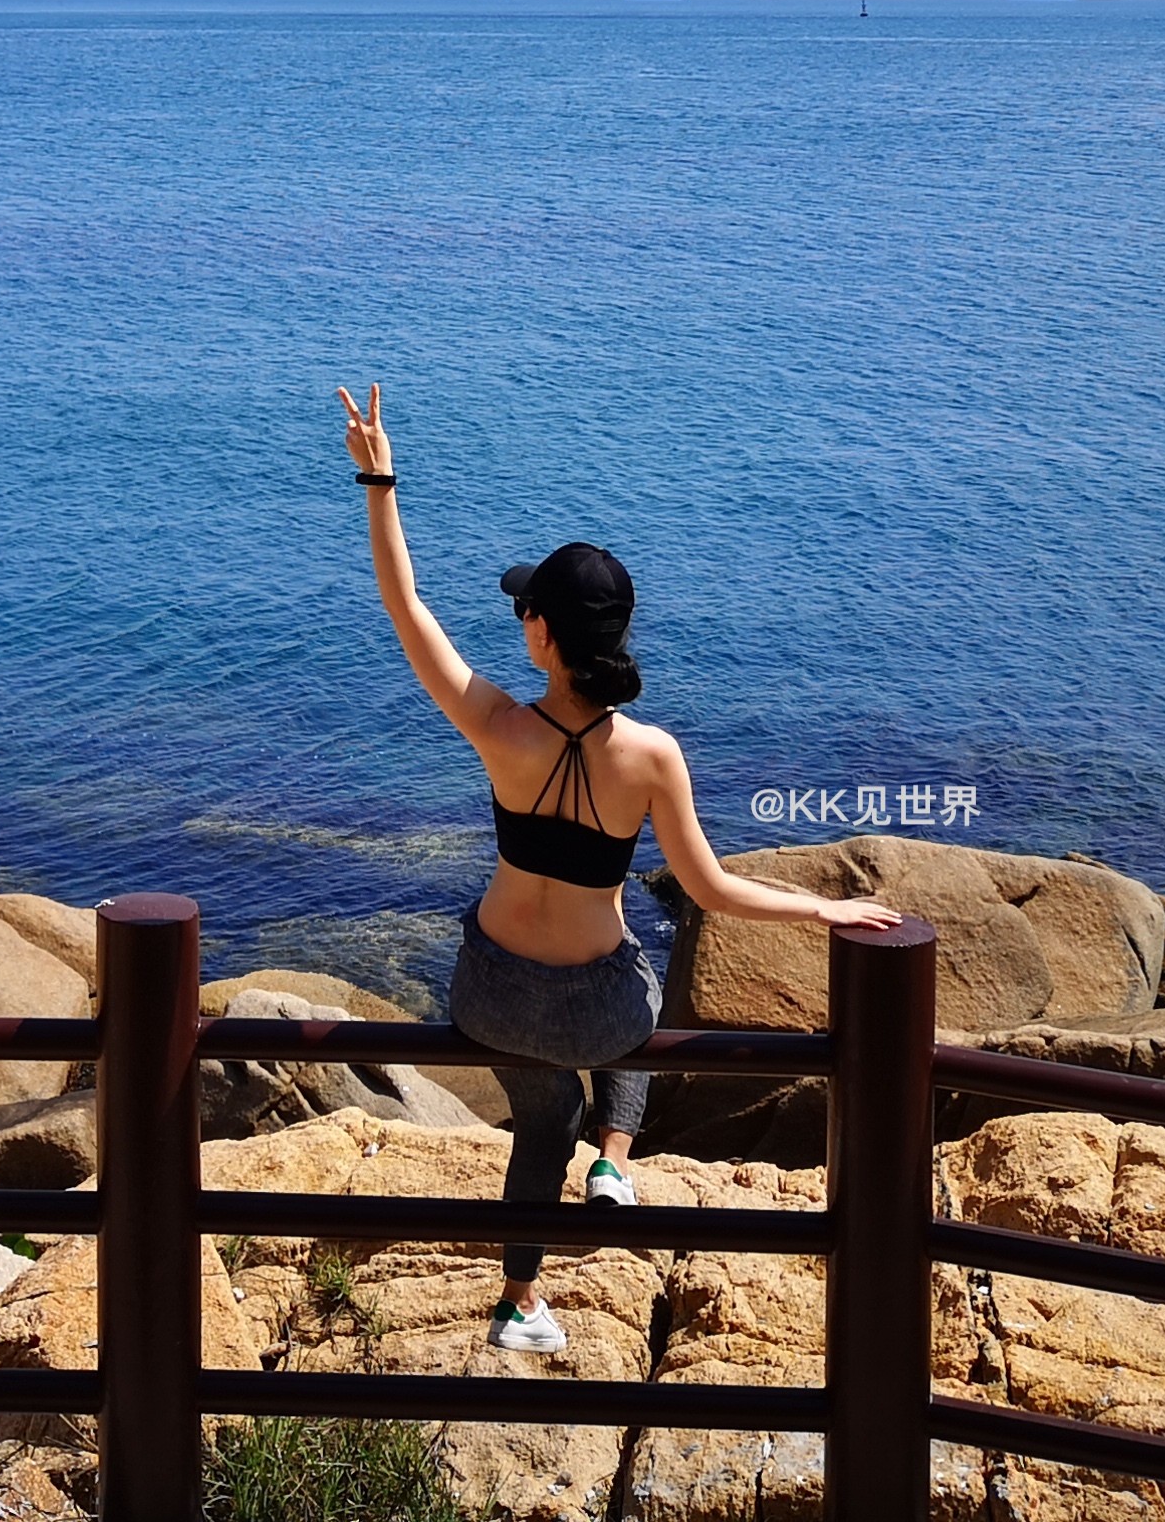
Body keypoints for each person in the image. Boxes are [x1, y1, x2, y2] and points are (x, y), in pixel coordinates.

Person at [337, 383, 909, 1356]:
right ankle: (613, 1160)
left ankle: (520, 1303)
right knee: (637, 995)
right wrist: (824, 912)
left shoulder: (496, 726)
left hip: (492, 995)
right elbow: (713, 890)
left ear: (542, 636)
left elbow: (405, 604)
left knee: (539, 1120)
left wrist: (379, 480)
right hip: (598, 1008)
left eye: (526, 612)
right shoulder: (652, 757)